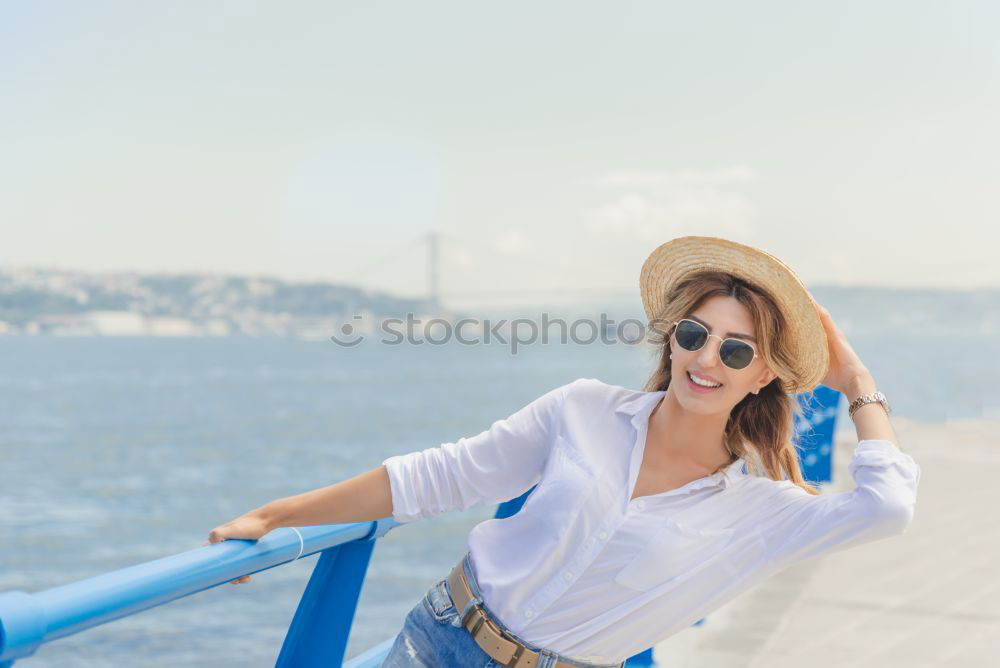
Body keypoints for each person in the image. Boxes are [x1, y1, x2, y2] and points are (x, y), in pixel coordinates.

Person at [205, 236, 921, 668]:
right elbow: (437, 477)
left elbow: (887, 507)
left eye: (737, 349)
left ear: (763, 374)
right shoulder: (583, 410)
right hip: (440, 640)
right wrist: (273, 516)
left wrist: (858, 383)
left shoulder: (762, 511)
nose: (708, 359)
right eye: (695, 335)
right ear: (671, 337)